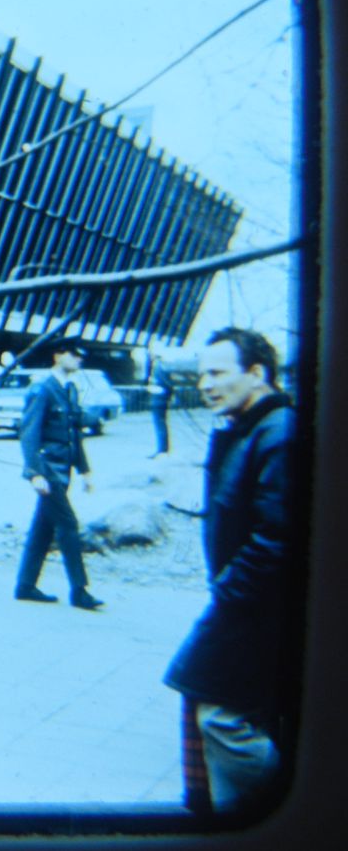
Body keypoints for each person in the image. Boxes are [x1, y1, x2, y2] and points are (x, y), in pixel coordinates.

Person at [164, 328, 294, 813]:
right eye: (201, 374)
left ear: (257, 373)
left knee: (218, 713)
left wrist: (228, 595)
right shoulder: (250, 429)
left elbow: (277, 538)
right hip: (244, 603)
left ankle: (288, 805)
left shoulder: (279, 433)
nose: (205, 383)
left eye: (217, 372)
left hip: (249, 607)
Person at [14, 337, 103, 610]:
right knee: (68, 525)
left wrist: (85, 470)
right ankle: (79, 590)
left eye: (80, 356)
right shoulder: (42, 388)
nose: (79, 359)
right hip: (48, 470)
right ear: (58, 355)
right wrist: (34, 473)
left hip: (63, 472)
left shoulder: (70, 389)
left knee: (43, 528)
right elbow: (29, 433)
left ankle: (25, 586)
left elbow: (74, 435)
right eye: (74, 355)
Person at [147, 349, 173, 458]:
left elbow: (165, 385)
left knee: (160, 425)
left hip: (159, 400)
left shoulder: (158, 367)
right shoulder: (161, 366)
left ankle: (162, 450)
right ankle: (163, 449)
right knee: (161, 424)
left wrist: (153, 387)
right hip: (160, 399)